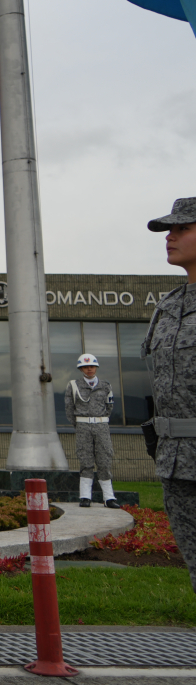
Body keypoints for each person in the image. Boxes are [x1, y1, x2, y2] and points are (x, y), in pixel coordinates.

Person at [141, 197, 196, 592]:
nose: (170, 237)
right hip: (176, 460)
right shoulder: (168, 306)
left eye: (182, 229)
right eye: (168, 230)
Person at [65, 353, 120, 508]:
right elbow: (69, 409)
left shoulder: (106, 385)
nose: (89, 369)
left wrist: (100, 421)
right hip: (83, 426)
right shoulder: (73, 385)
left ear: (96, 367)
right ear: (81, 368)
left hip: (101, 426)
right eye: (86, 367)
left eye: (92, 366)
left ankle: (109, 498)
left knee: (104, 459)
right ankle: (85, 497)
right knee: (85, 460)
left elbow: (109, 407)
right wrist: (80, 424)